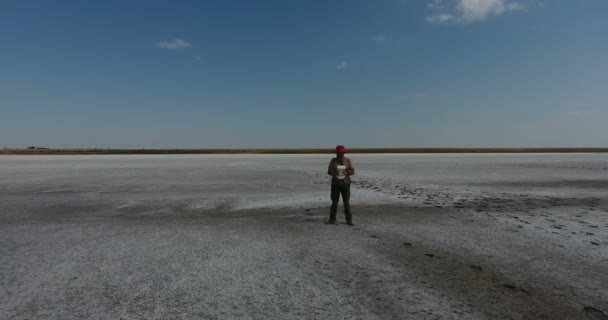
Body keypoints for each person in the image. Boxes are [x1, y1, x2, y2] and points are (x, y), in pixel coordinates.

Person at [326, 145, 355, 225]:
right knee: (334, 203)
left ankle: (349, 220)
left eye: (341, 152)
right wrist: (334, 174)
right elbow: (329, 171)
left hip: (345, 184)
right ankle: (332, 219)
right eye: (338, 152)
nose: (340, 154)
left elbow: (352, 171)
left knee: (346, 203)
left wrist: (346, 174)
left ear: (343, 153)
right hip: (335, 184)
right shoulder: (333, 161)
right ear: (336, 153)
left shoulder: (348, 160)